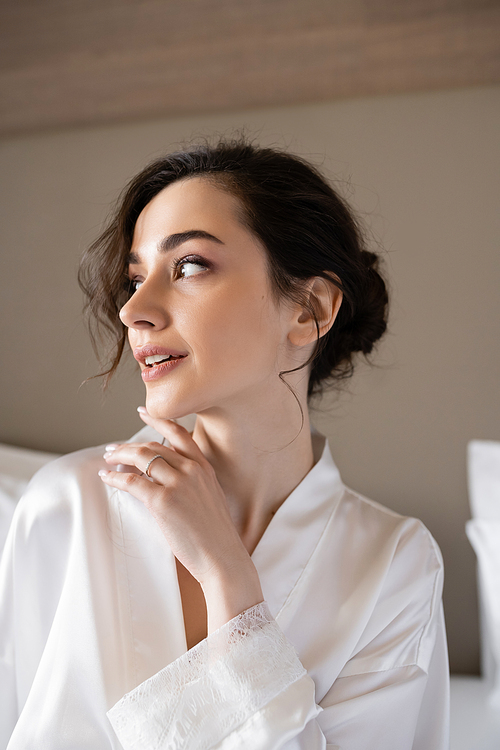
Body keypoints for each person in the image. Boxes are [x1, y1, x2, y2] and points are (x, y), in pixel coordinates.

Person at [0, 138, 449, 749]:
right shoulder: (63, 508)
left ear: (309, 308)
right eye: (135, 277)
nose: (134, 309)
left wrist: (230, 585)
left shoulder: (394, 564)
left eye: (187, 266)